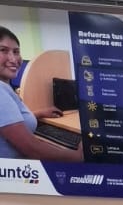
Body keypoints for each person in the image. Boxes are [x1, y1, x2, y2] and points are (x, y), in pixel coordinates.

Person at [0, 27, 83, 163]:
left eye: (16, 51)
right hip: (15, 172)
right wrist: (77, 156)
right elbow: (31, 148)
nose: (13, 59)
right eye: (3, 50)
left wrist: (38, 113)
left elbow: (6, 120)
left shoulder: (4, 88)